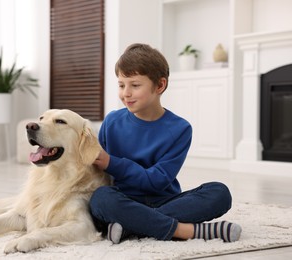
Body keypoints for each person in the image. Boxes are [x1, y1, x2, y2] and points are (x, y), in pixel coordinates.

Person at [89, 43, 242, 244]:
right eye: (121, 85)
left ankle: (130, 227)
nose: (126, 93)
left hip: (164, 199)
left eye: (135, 85)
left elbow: (157, 181)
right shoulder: (112, 122)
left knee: (220, 193)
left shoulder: (180, 129)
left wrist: (112, 163)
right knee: (101, 198)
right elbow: (98, 174)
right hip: (123, 199)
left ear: (160, 86)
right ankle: (185, 231)